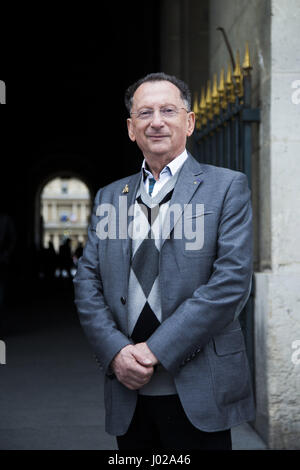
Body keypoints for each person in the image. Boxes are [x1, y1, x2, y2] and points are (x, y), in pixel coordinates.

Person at [73, 72, 255, 450]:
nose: (156, 121)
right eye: (144, 113)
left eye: (168, 110)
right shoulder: (110, 197)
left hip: (199, 386)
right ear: (130, 128)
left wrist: (154, 349)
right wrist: (116, 352)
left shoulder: (227, 187)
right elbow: (87, 282)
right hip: (128, 388)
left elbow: (230, 284)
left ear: (189, 122)